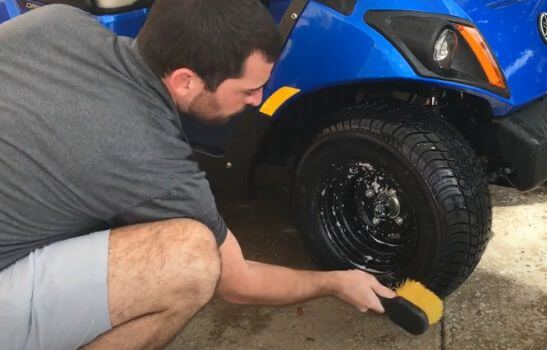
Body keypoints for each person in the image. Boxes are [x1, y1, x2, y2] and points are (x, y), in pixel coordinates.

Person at [0, 1, 396, 349]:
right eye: (248, 89)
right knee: (192, 259)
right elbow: (238, 283)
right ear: (185, 81)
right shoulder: (152, 157)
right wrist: (334, 283)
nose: (258, 99)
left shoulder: (56, 21)